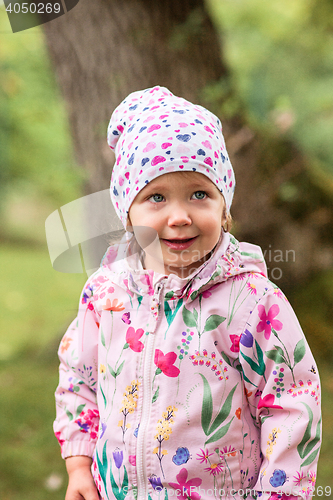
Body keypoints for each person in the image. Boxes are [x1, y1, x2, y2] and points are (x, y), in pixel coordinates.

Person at [54, 86, 321, 500]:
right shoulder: (105, 293)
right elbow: (78, 378)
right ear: (128, 213)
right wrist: (79, 466)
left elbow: (292, 406)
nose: (179, 216)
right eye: (156, 197)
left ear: (224, 208)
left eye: (199, 194)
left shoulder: (250, 301)